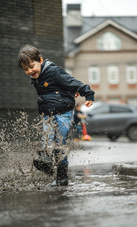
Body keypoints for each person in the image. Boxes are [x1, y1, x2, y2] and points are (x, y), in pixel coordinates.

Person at [18, 45, 95, 186]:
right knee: (46, 143)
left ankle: (61, 177)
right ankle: (48, 168)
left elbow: (70, 82)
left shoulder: (53, 71)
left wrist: (87, 93)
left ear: (40, 60)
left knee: (59, 145)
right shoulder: (37, 77)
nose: (29, 71)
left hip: (63, 113)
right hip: (48, 114)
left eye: (31, 66)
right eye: (25, 69)